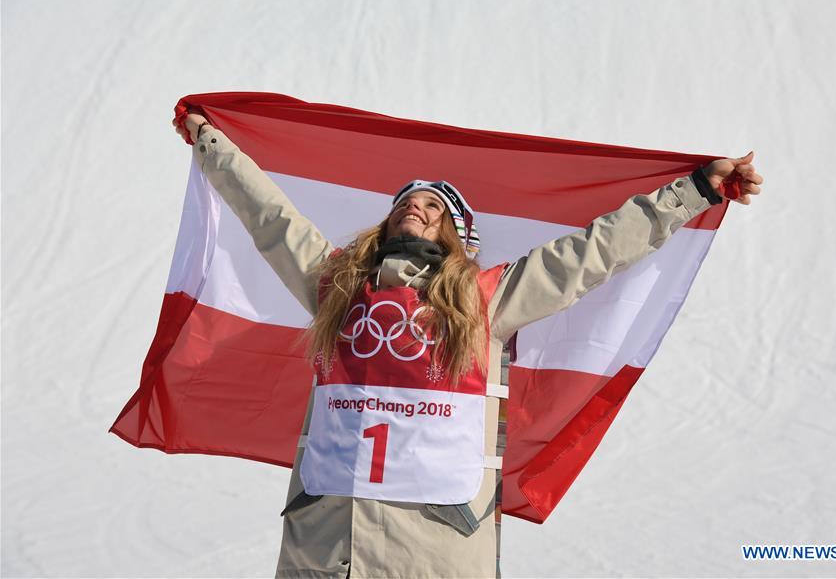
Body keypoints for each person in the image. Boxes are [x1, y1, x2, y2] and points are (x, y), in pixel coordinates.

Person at [172, 112, 763, 579]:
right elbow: (271, 218)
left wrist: (693, 191)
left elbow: (594, 252)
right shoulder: (337, 290)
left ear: (457, 235)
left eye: (433, 206)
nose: (414, 205)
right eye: (405, 202)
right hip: (327, 548)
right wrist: (209, 141)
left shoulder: (489, 299)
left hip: (436, 551)